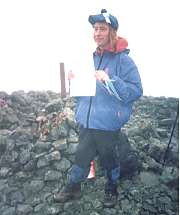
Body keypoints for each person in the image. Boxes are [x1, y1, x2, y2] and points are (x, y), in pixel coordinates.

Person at [54, 9, 143, 208]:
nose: (97, 33)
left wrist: (110, 80)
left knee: (109, 158)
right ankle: (73, 186)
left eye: (102, 28)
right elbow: (82, 94)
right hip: (87, 119)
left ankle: (112, 188)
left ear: (112, 32)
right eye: (95, 29)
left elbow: (136, 91)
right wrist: (73, 83)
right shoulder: (90, 59)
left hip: (108, 123)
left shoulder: (124, 61)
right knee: (81, 155)